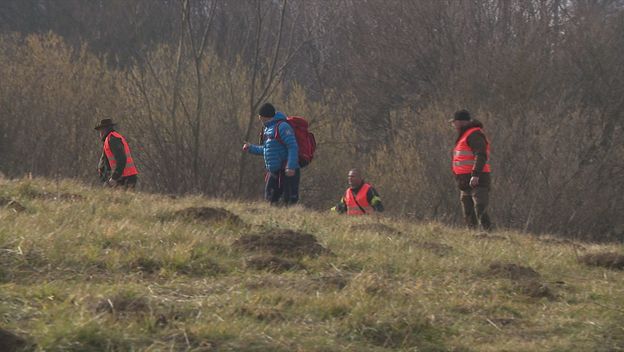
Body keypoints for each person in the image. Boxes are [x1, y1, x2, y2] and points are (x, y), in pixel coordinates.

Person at [242, 103, 300, 205]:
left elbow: (293, 146)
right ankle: (274, 218)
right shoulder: (268, 129)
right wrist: (250, 148)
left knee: (288, 200)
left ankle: (290, 217)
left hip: (287, 170)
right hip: (275, 171)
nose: (259, 119)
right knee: (270, 197)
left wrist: (290, 167)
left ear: (265, 116)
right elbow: (266, 150)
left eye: (261, 117)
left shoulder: (283, 127)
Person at [450, 109, 491, 230]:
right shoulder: (464, 136)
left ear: (461, 122)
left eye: (454, 122)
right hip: (464, 181)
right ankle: (473, 236)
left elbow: (481, 155)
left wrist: (475, 175)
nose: (453, 125)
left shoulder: (474, 134)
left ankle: (489, 234)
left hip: (478, 179)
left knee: (480, 208)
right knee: (468, 212)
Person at [95, 118, 139, 189]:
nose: (100, 133)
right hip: (123, 177)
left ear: (104, 130)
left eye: (100, 130)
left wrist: (114, 178)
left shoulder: (113, 139)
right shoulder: (110, 139)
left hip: (125, 178)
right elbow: (105, 161)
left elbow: (122, 159)